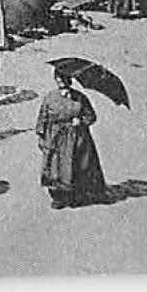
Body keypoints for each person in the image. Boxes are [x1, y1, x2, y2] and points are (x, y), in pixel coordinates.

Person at [36, 64, 109, 208]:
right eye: (58, 77)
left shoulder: (80, 98)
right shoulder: (50, 98)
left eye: (64, 78)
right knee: (55, 167)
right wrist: (41, 135)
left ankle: (76, 195)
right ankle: (59, 198)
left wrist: (81, 121)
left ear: (71, 79)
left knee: (77, 166)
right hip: (56, 137)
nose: (61, 80)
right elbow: (42, 118)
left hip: (77, 137)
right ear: (55, 79)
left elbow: (91, 116)